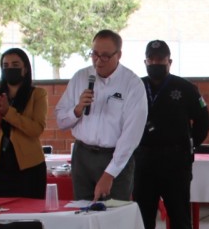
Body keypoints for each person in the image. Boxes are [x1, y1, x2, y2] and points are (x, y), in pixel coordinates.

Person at [133, 40, 209, 229]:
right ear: (145, 61)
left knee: (179, 218)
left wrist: (189, 144)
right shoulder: (135, 87)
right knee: (143, 219)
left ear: (170, 61)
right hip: (143, 161)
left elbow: (204, 121)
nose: (156, 63)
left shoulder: (185, 88)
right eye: (151, 59)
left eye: (160, 59)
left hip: (176, 162)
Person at [55, 29, 147, 202]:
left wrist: (109, 174)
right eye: (95, 54)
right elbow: (61, 121)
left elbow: (131, 137)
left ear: (118, 55)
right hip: (82, 155)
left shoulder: (133, 84)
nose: (98, 60)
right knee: (82, 211)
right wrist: (77, 110)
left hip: (114, 157)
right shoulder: (81, 77)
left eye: (105, 56)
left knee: (113, 212)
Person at [0, 48, 47, 199]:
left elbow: (36, 129)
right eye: (5, 66)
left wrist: (8, 113)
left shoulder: (37, 94)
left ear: (25, 69)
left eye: (15, 65)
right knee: (1, 211)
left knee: (31, 211)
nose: (10, 69)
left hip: (30, 167)